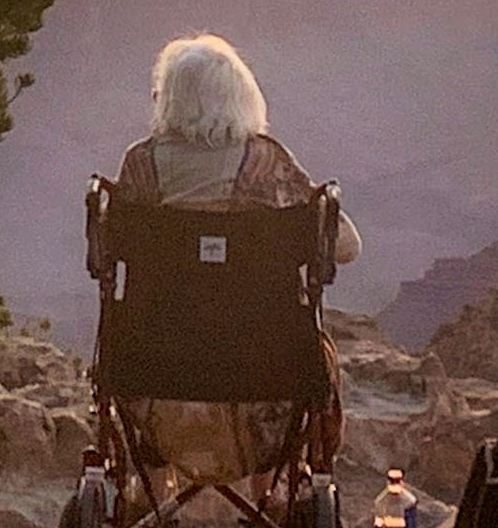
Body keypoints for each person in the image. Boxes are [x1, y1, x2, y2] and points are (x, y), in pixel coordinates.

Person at [111, 34, 360, 490]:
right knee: (309, 350)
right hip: (266, 377)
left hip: (156, 375)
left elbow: (111, 248)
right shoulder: (268, 164)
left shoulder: (141, 165)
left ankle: (149, 482)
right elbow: (346, 246)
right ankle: (272, 489)